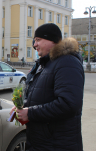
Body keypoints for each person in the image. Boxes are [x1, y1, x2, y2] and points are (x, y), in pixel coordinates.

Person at [10, 23, 84, 151]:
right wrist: (23, 107)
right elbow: (42, 97)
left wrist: (30, 113)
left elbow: (68, 104)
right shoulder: (46, 64)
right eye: (34, 40)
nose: (34, 45)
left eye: (38, 40)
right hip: (42, 142)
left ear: (53, 41)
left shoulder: (67, 62)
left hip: (57, 145)